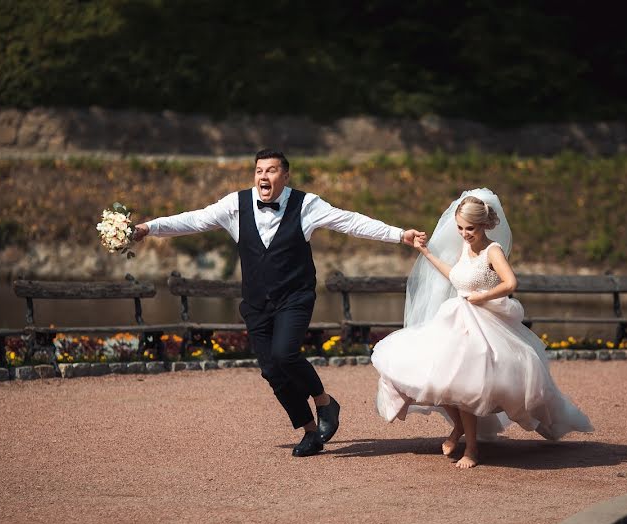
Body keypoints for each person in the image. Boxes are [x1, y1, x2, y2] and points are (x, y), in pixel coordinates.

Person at [132, 148, 426, 457]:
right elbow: (193, 220)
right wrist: (148, 228)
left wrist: (399, 235)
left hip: (295, 296)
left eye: (271, 171)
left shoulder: (306, 205)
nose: (264, 176)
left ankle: (324, 401)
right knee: (271, 370)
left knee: (285, 354)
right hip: (257, 303)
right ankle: (311, 432)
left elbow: (350, 222)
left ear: (285, 176)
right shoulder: (236, 205)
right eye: (259, 171)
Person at [372, 188, 593, 468]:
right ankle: (459, 428)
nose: (465, 234)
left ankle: (472, 449)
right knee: (432, 378)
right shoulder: (466, 247)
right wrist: (426, 253)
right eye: (461, 228)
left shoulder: (493, 250)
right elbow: (455, 275)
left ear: (485, 225)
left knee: (466, 384)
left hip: (483, 323)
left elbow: (510, 283)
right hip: (454, 318)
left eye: (471, 228)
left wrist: (482, 296)